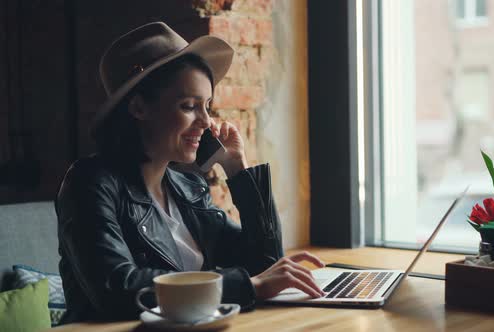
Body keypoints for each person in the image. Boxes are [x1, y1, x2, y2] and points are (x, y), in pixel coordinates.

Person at [55, 21, 325, 323]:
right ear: (139, 108)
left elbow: (264, 263)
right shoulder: (90, 183)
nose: (207, 121)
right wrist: (248, 285)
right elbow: (117, 289)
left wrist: (238, 171)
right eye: (189, 106)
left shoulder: (188, 189)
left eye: (207, 105)